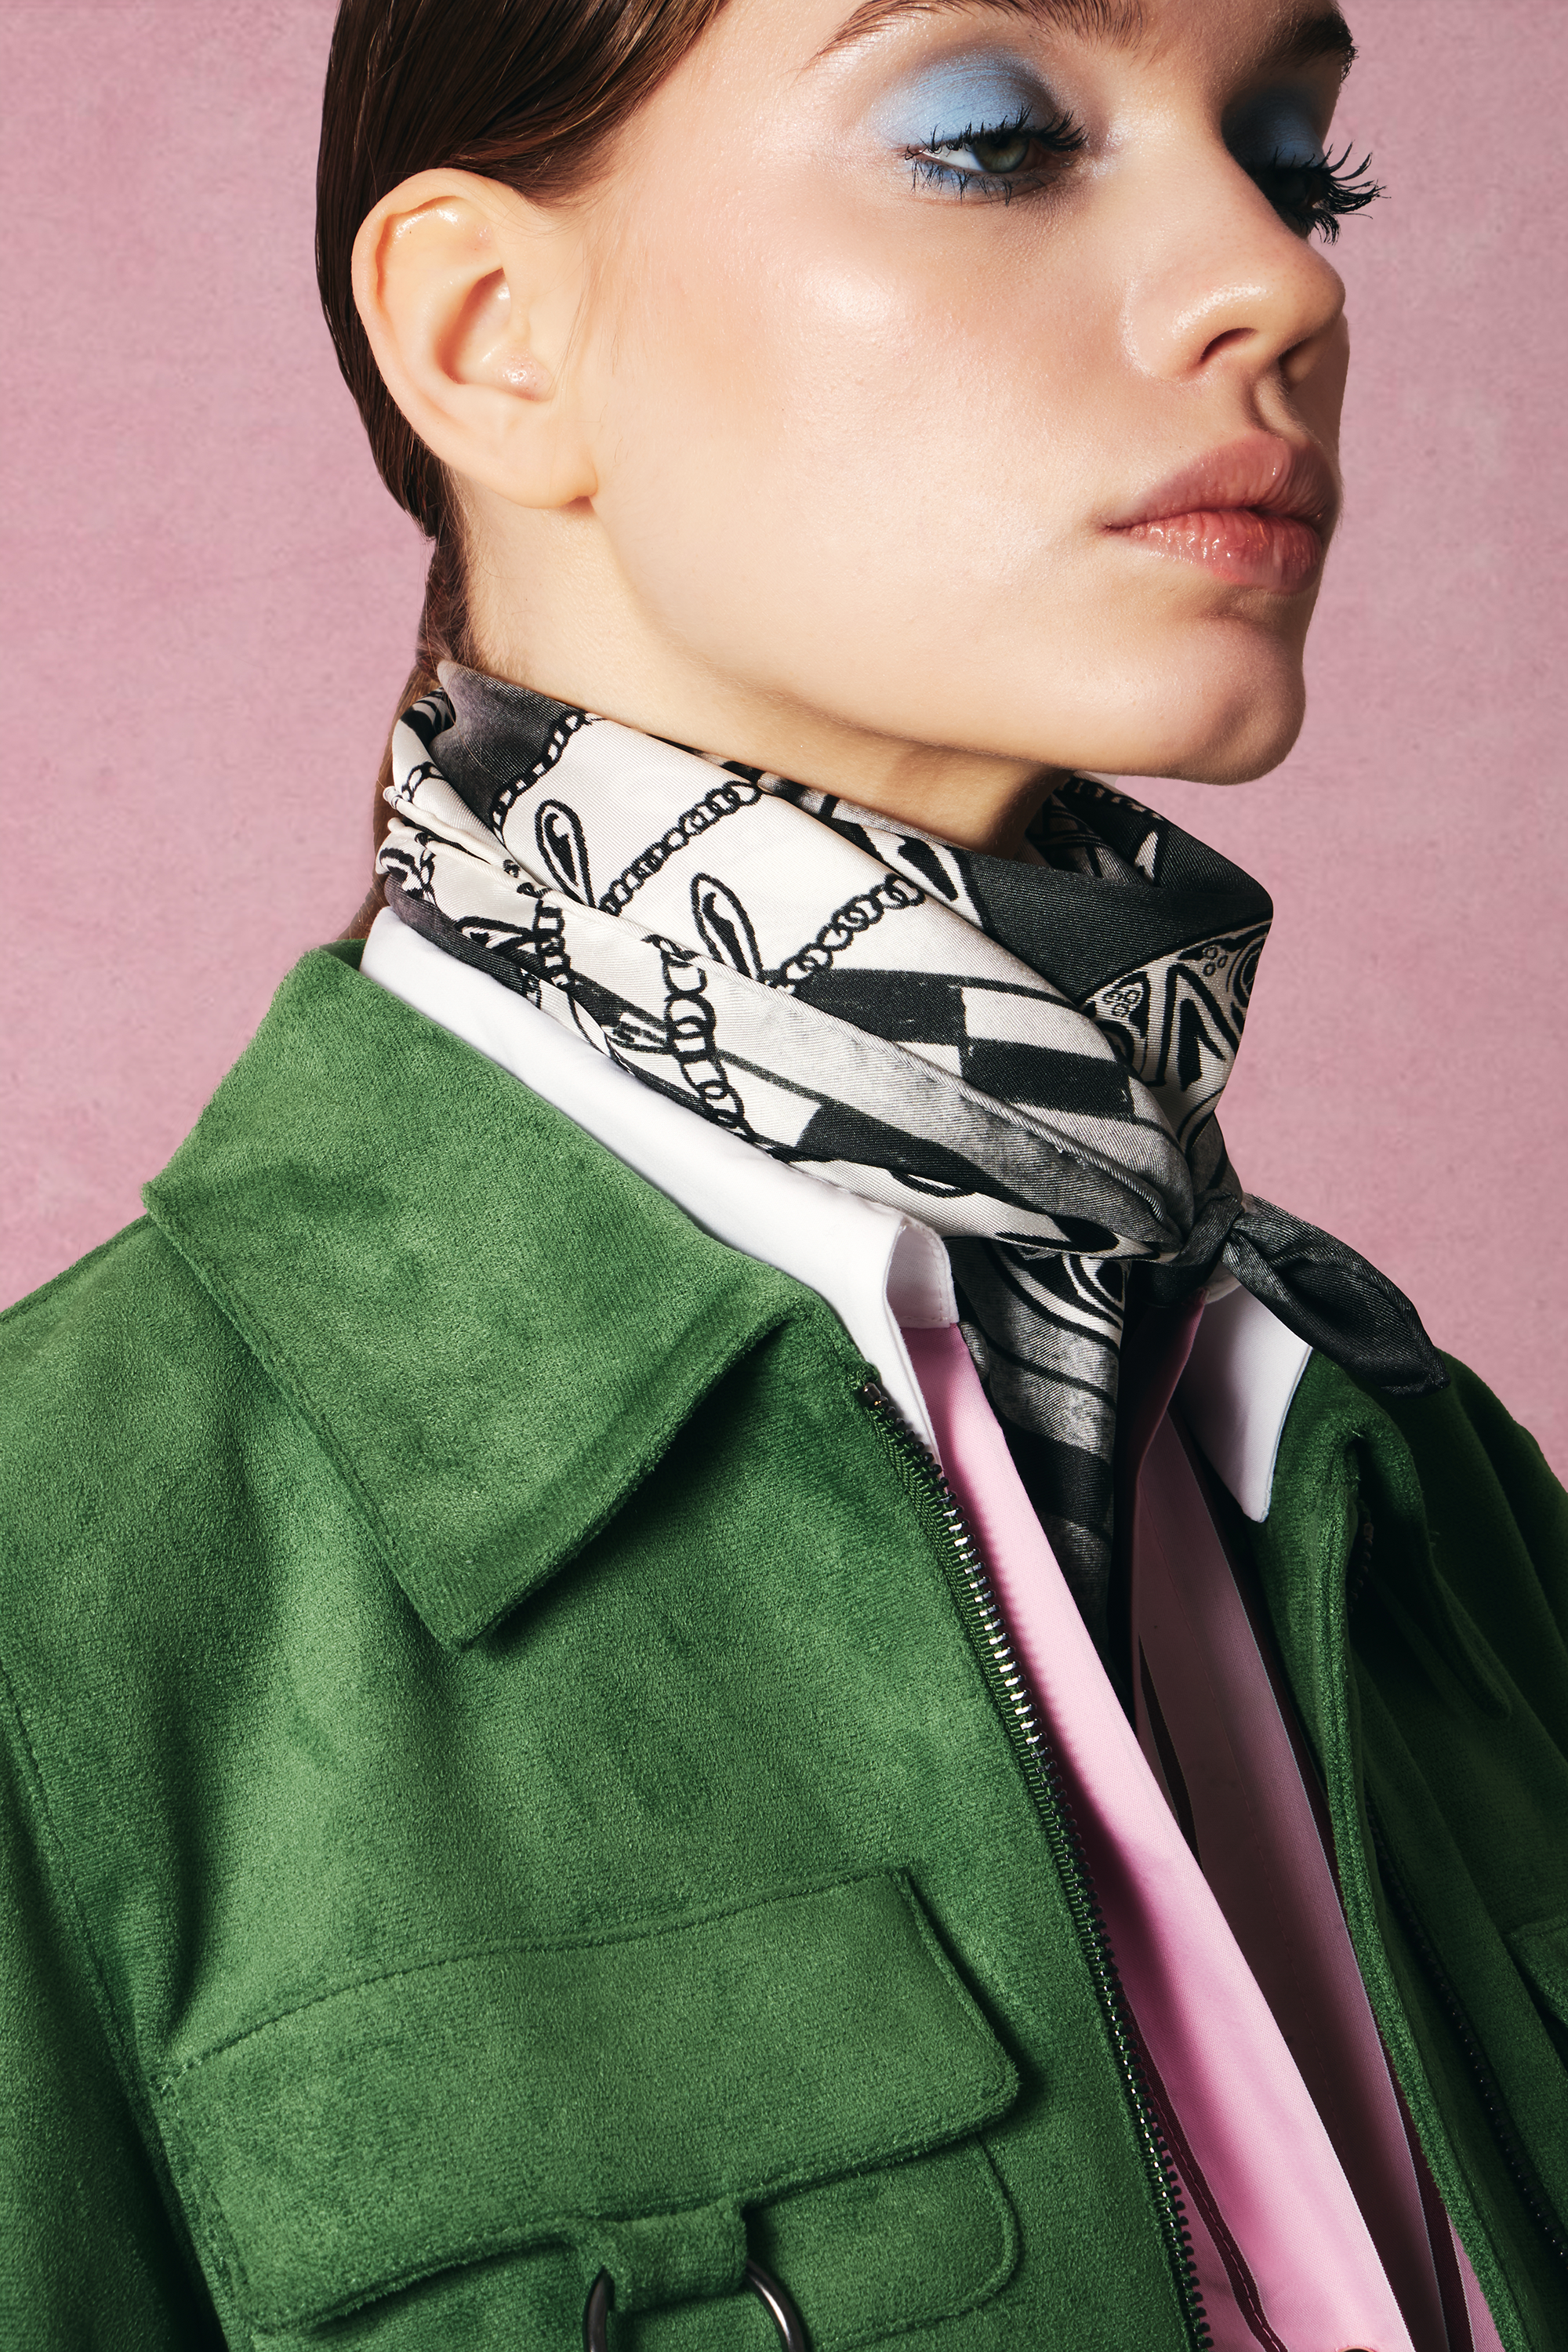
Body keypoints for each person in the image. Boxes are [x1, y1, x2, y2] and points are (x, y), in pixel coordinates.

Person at [2, 0, 1563, 2347]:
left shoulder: (1412, 1471)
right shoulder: (60, 1599)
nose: (1282, 282)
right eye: (990, 138)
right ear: (492, 333)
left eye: (1294, 160)